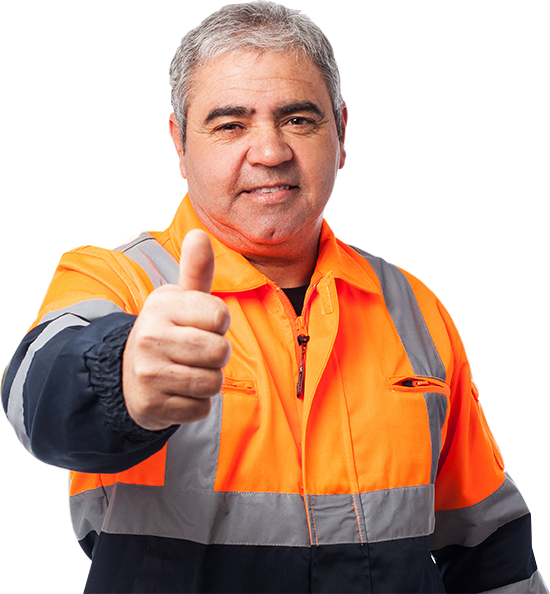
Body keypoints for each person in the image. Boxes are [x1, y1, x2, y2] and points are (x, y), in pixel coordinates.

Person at [2, 2, 547, 593]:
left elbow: (489, 548)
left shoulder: (413, 309)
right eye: (230, 125)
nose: (269, 150)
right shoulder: (116, 281)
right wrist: (121, 374)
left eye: (298, 119)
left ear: (341, 133)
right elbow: (37, 397)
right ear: (179, 144)